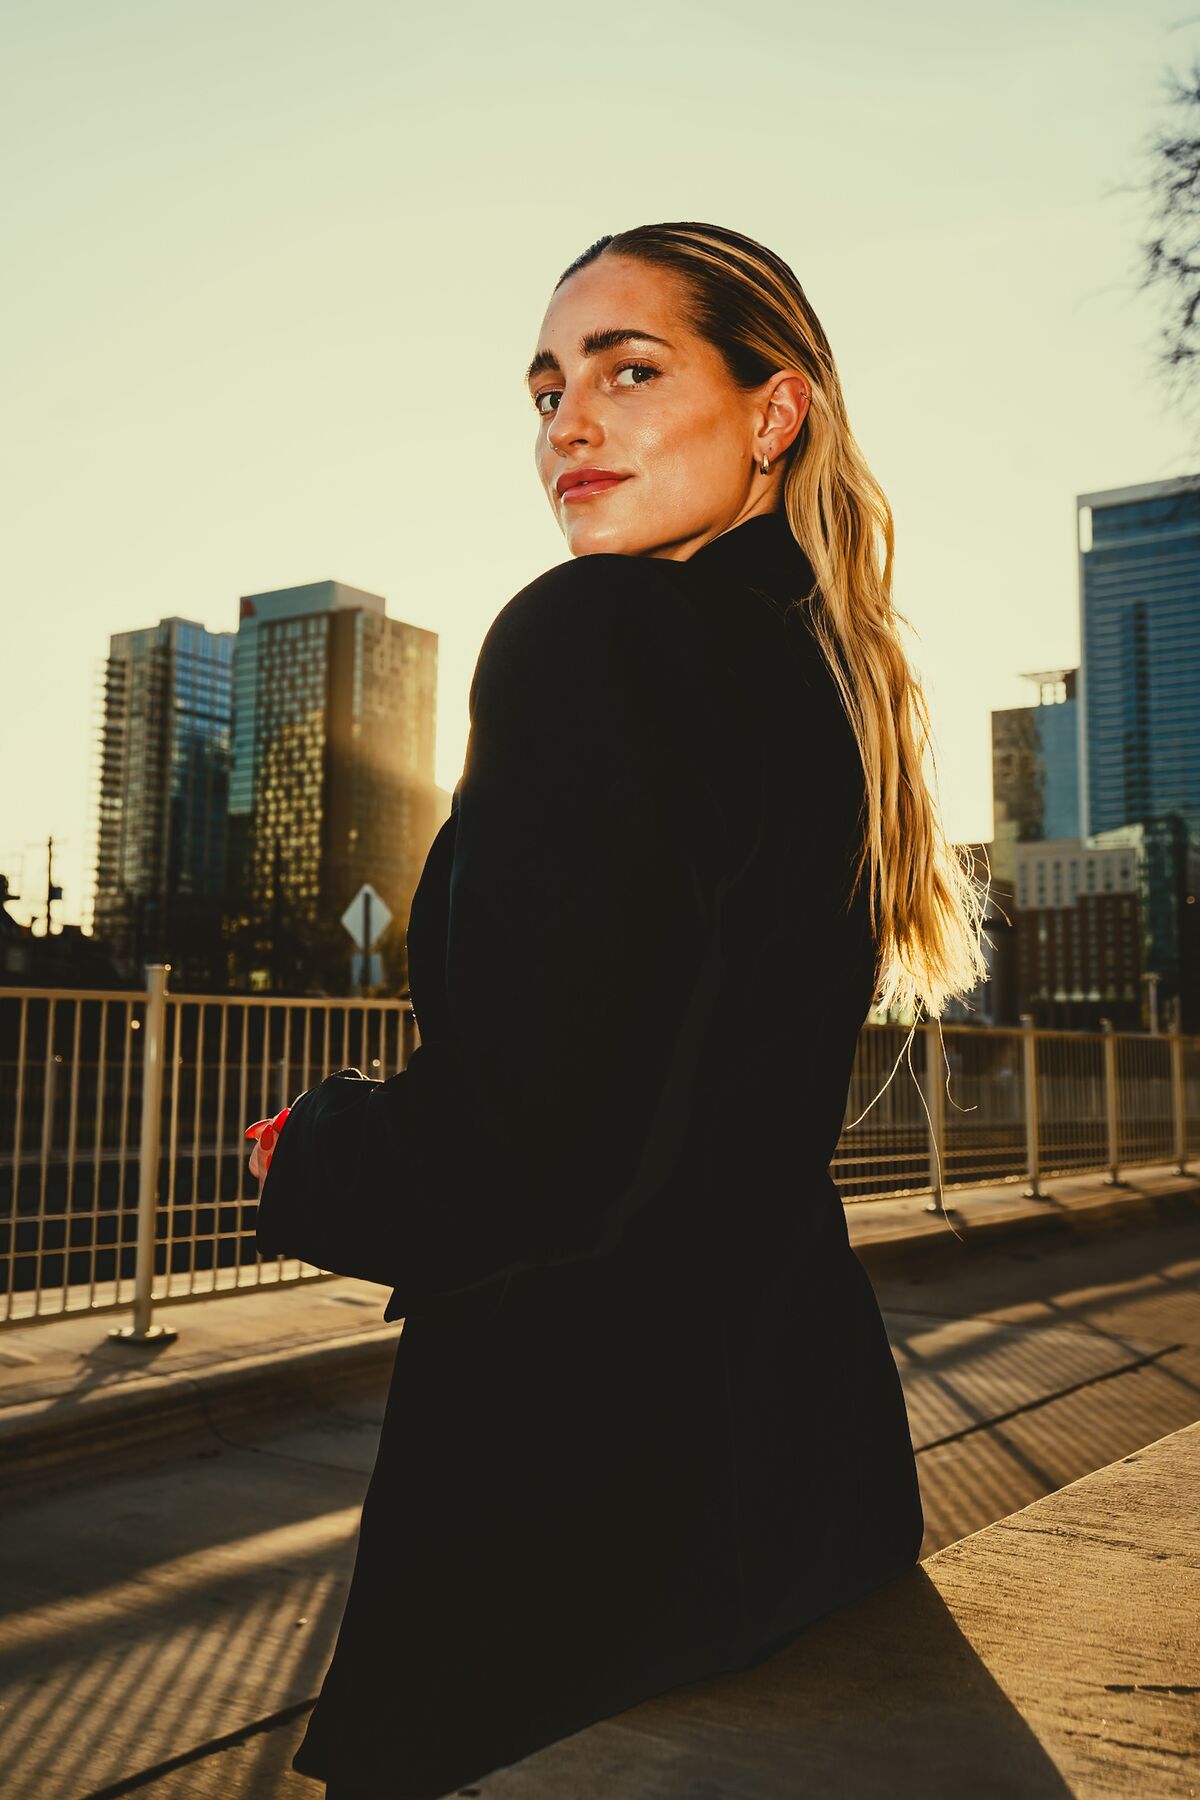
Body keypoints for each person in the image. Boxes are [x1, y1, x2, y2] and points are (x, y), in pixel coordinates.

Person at [252, 220, 990, 1798]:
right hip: (800, 1486)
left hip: (567, 1508)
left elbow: (531, 1138)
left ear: (773, 410)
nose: (566, 426)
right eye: (544, 388)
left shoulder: (595, 641)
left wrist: (315, 1154)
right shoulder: (824, 684)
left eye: (629, 369)